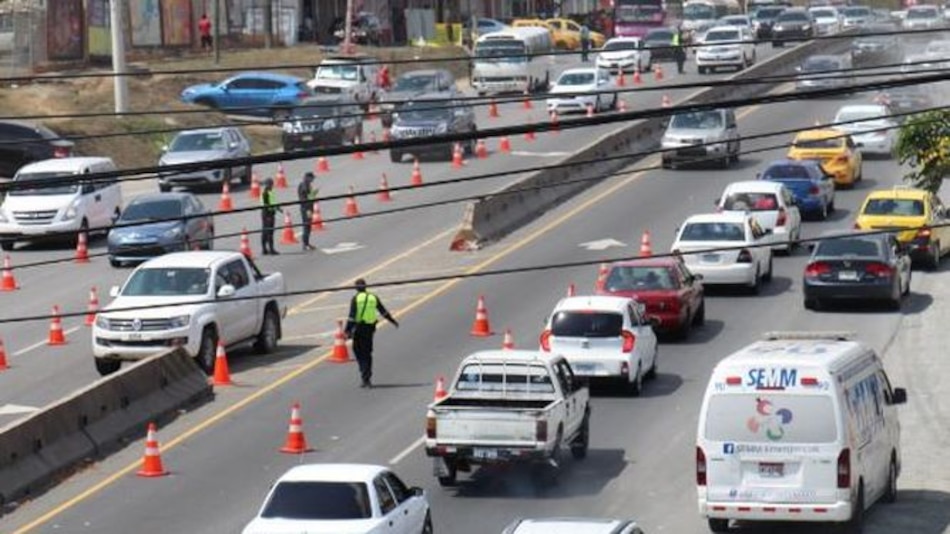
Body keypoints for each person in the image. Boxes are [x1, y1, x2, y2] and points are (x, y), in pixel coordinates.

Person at [345, 278, 399, 388]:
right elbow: (383, 311)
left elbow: (352, 317)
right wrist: (392, 321)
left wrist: (347, 331)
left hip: (359, 329)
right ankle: (367, 376)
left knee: (358, 351)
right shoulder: (373, 297)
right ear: (366, 287)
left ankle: (364, 374)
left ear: (356, 288)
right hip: (370, 328)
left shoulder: (355, 299)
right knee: (368, 352)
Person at [297, 172, 318, 251]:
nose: (313, 180)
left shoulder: (305, 184)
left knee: (308, 226)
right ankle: (305, 244)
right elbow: (306, 196)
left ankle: (306, 243)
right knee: (307, 226)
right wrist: (313, 194)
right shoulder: (304, 185)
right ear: (308, 178)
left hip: (308, 207)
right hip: (306, 209)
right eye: (312, 178)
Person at [260, 178, 281, 255]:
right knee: (269, 233)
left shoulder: (269, 192)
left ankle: (265, 249)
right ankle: (270, 249)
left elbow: (272, 202)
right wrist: (273, 209)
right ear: (268, 184)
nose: (272, 185)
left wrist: (278, 208)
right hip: (268, 215)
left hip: (267, 214)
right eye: (271, 184)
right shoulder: (265, 193)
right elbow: (267, 205)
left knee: (265, 232)